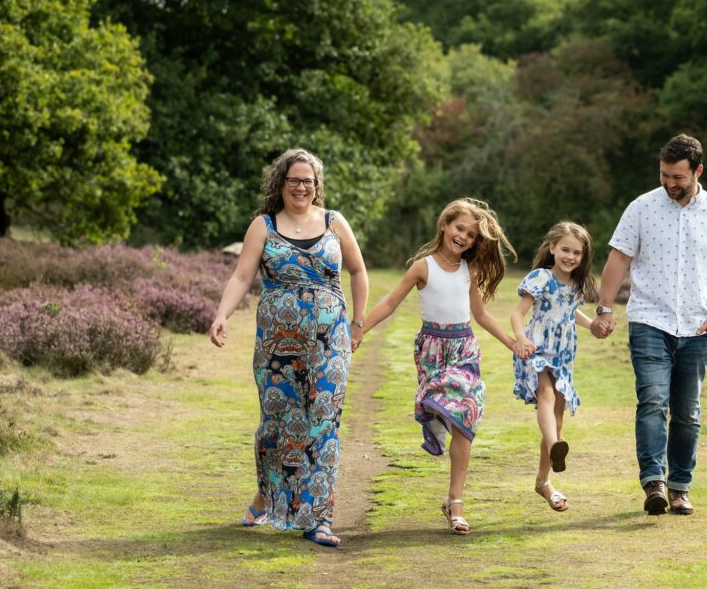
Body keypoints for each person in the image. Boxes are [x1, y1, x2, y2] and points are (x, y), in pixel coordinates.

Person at [209, 148, 368, 547]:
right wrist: (222, 314)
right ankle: (267, 495)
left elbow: (358, 270)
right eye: (294, 180)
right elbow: (241, 276)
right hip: (276, 345)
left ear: (317, 186)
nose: (301, 187)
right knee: (277, 425)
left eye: (308, 181)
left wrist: (358, 321)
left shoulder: (334, 222)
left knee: (323, 421)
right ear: (280, 183)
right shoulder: (263, 225)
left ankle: (319, 518)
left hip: (329, 341)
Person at [591, 134, 707, 516]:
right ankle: (654, 482)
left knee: (687, 412)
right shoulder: (641, 208)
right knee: (653, 401)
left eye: (678, 177)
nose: (670, 183)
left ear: (698, 171)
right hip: (649, 321)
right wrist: (605, 308)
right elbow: (618, 260)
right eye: (664, 175)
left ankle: (680, 487)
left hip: (697, 327)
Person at [355, 198, 516, 535]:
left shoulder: (470, 270)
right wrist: (358, 331)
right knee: (447, 412)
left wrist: (512, 343)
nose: (464, 237)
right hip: (433, 352)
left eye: (471, 235)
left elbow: (481, 315)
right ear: (444, 225)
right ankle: (452, 497)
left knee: (465, 416)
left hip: (464, 349)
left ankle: (455, 501)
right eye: (460, 229)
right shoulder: (422, 267)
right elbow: (389, 303)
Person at [510, 222, 598, 512]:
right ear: (552, 248)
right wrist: (521, 338)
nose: (570, 257)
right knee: (546, 396)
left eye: (576, 253)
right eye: (565, 250)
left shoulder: (577, 285)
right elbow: (517, 313)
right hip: (536, 349)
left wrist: (592, 325)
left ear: (583, 257)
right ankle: (555, 445)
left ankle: (544, 480)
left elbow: (571, 312)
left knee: (556, 419)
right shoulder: (541, 278)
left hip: (562, 356)